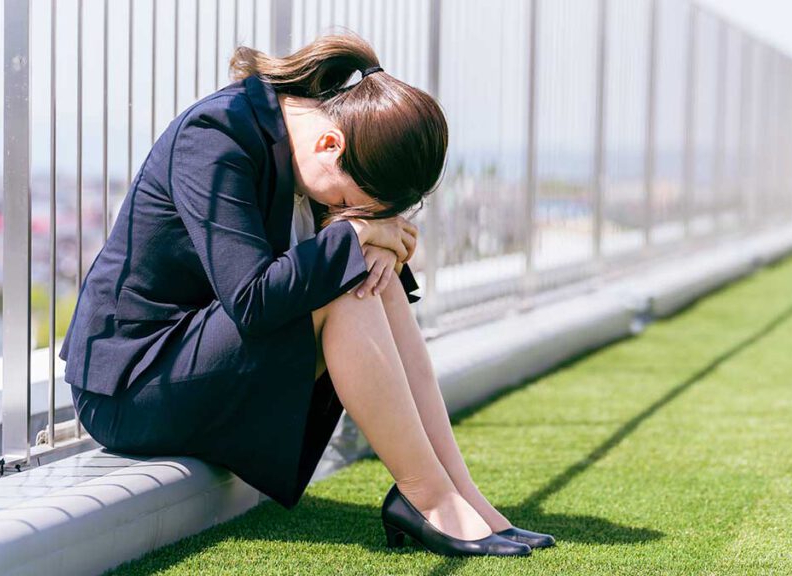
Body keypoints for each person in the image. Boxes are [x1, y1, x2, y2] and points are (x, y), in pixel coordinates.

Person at [60, 32, 554, 558]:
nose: (345, 213)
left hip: (196, 358)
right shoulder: (216, 136)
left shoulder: (313, 138)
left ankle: (459, 492)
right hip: (133, 385)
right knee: (344, 278)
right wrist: (357, 238)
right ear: (330, 145)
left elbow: (326, 265)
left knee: (363, 278)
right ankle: (427, 498)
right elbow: (250, 299)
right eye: (346, 201)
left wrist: (377, 243)